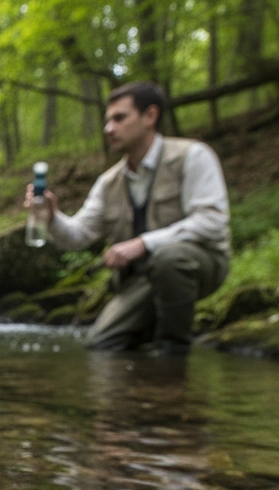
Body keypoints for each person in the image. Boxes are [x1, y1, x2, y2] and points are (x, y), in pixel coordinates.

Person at [27, 82, 230, 354]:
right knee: (101, 346)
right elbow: (78, 236)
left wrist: (142, 243)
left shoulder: (192, 156)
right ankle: (148, 346)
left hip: (201, 264)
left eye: (119, 118)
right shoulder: (108, 182)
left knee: (169, 260)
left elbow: (212, 221)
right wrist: (52, 218)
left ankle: (174, 355)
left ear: (150, 116)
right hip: (141, 278)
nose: (109, 128)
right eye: (108, 120)